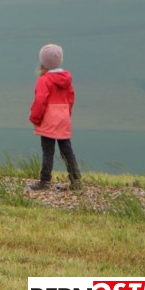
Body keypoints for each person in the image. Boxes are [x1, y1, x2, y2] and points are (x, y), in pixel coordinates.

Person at [29, 44, 83, 192]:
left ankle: (45, 181)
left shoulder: (44, 80)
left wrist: (35, 118)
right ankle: (76, 180)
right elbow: (71, 98)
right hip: (64, 118)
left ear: (43, 62)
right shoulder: (67, 79)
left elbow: (40, 100)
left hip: (49, 119)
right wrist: (66, 114)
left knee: (48, 150)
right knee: (67, 149)